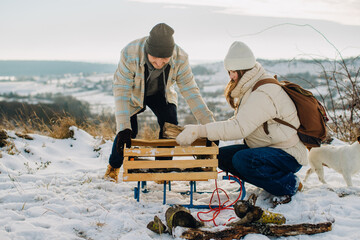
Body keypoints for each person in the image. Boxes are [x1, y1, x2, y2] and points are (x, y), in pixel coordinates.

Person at [176, 41, 308, 199]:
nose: (230, 76)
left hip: (287, 154)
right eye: (229, 71)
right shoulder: (251, 88)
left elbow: (239, 127)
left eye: (233, 71)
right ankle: (269, 180)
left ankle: (289, 183)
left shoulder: (263, 93)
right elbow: (239, 121)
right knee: (219, 155)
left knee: (243, 160)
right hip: (267, 149)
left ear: (243, 70)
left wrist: (200, 130)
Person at [104, 23, 215, 182]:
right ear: (148, 51)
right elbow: (121, 91)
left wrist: (209, 125)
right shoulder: (130, 53)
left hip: (162, 93)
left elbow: (191, 92)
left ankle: (161, 170)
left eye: (164, 59)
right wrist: (123, 127)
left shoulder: (180, 58)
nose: (159, 62)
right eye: (155, 57)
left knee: (169, 126)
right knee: (129, 132)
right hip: (135, 94)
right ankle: (113, 167)